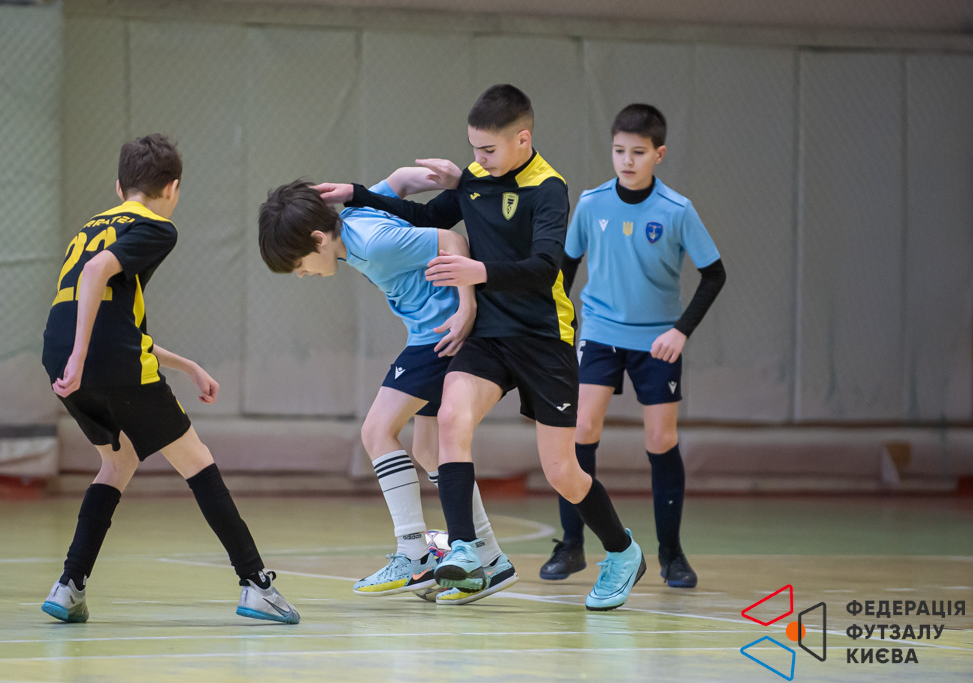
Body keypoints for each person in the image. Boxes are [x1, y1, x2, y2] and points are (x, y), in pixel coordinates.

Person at [316, 84, 645, 611]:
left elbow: (545, 269)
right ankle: (467, 550)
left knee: (562, 472)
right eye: (473, 148)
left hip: (543, 338)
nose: (477, 159)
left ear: (523, 139)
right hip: (488, 335)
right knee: (450, 419)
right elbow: (427, 218)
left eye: (488, 149)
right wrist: (357, 194)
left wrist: (478, 272)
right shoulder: (476, 177)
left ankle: (623, 552)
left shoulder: (548, 189)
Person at [40, 134, 299, 624]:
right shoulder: (157, 227)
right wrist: (82, 357)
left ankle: (69, 586)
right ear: (173, 188)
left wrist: (187, 366)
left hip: (58, 354)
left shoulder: (91, 227)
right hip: (89, 357)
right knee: (197, 462)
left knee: (117, 463)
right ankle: (256, 585)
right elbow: (96, 275)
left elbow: (109, 321)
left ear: (119, 187)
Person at [257, 167, 518, 605]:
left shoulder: (374, 245)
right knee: (428, 451)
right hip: (431, 334)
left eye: (299, 266)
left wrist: (467, 307)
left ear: (318, 239)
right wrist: (437, 177)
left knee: (377, 430)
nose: (302, 275)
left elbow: (452, 241)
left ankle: (414, 552)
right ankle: (491, 559)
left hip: (440, 336)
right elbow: (399, 181)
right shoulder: (355, 216)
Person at [540, 104, 726, 588]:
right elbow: (564, 269)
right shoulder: (591, 203)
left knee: (661, 440)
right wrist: (560, 327)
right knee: (580, 431)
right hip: (600, 333)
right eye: (619, 150)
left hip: (656, 340)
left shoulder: (677, 210)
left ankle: (671, 554)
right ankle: (572, 544)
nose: (627, 160)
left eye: (638, 152)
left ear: (658, 155)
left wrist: (680, 330)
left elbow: (714, 274)